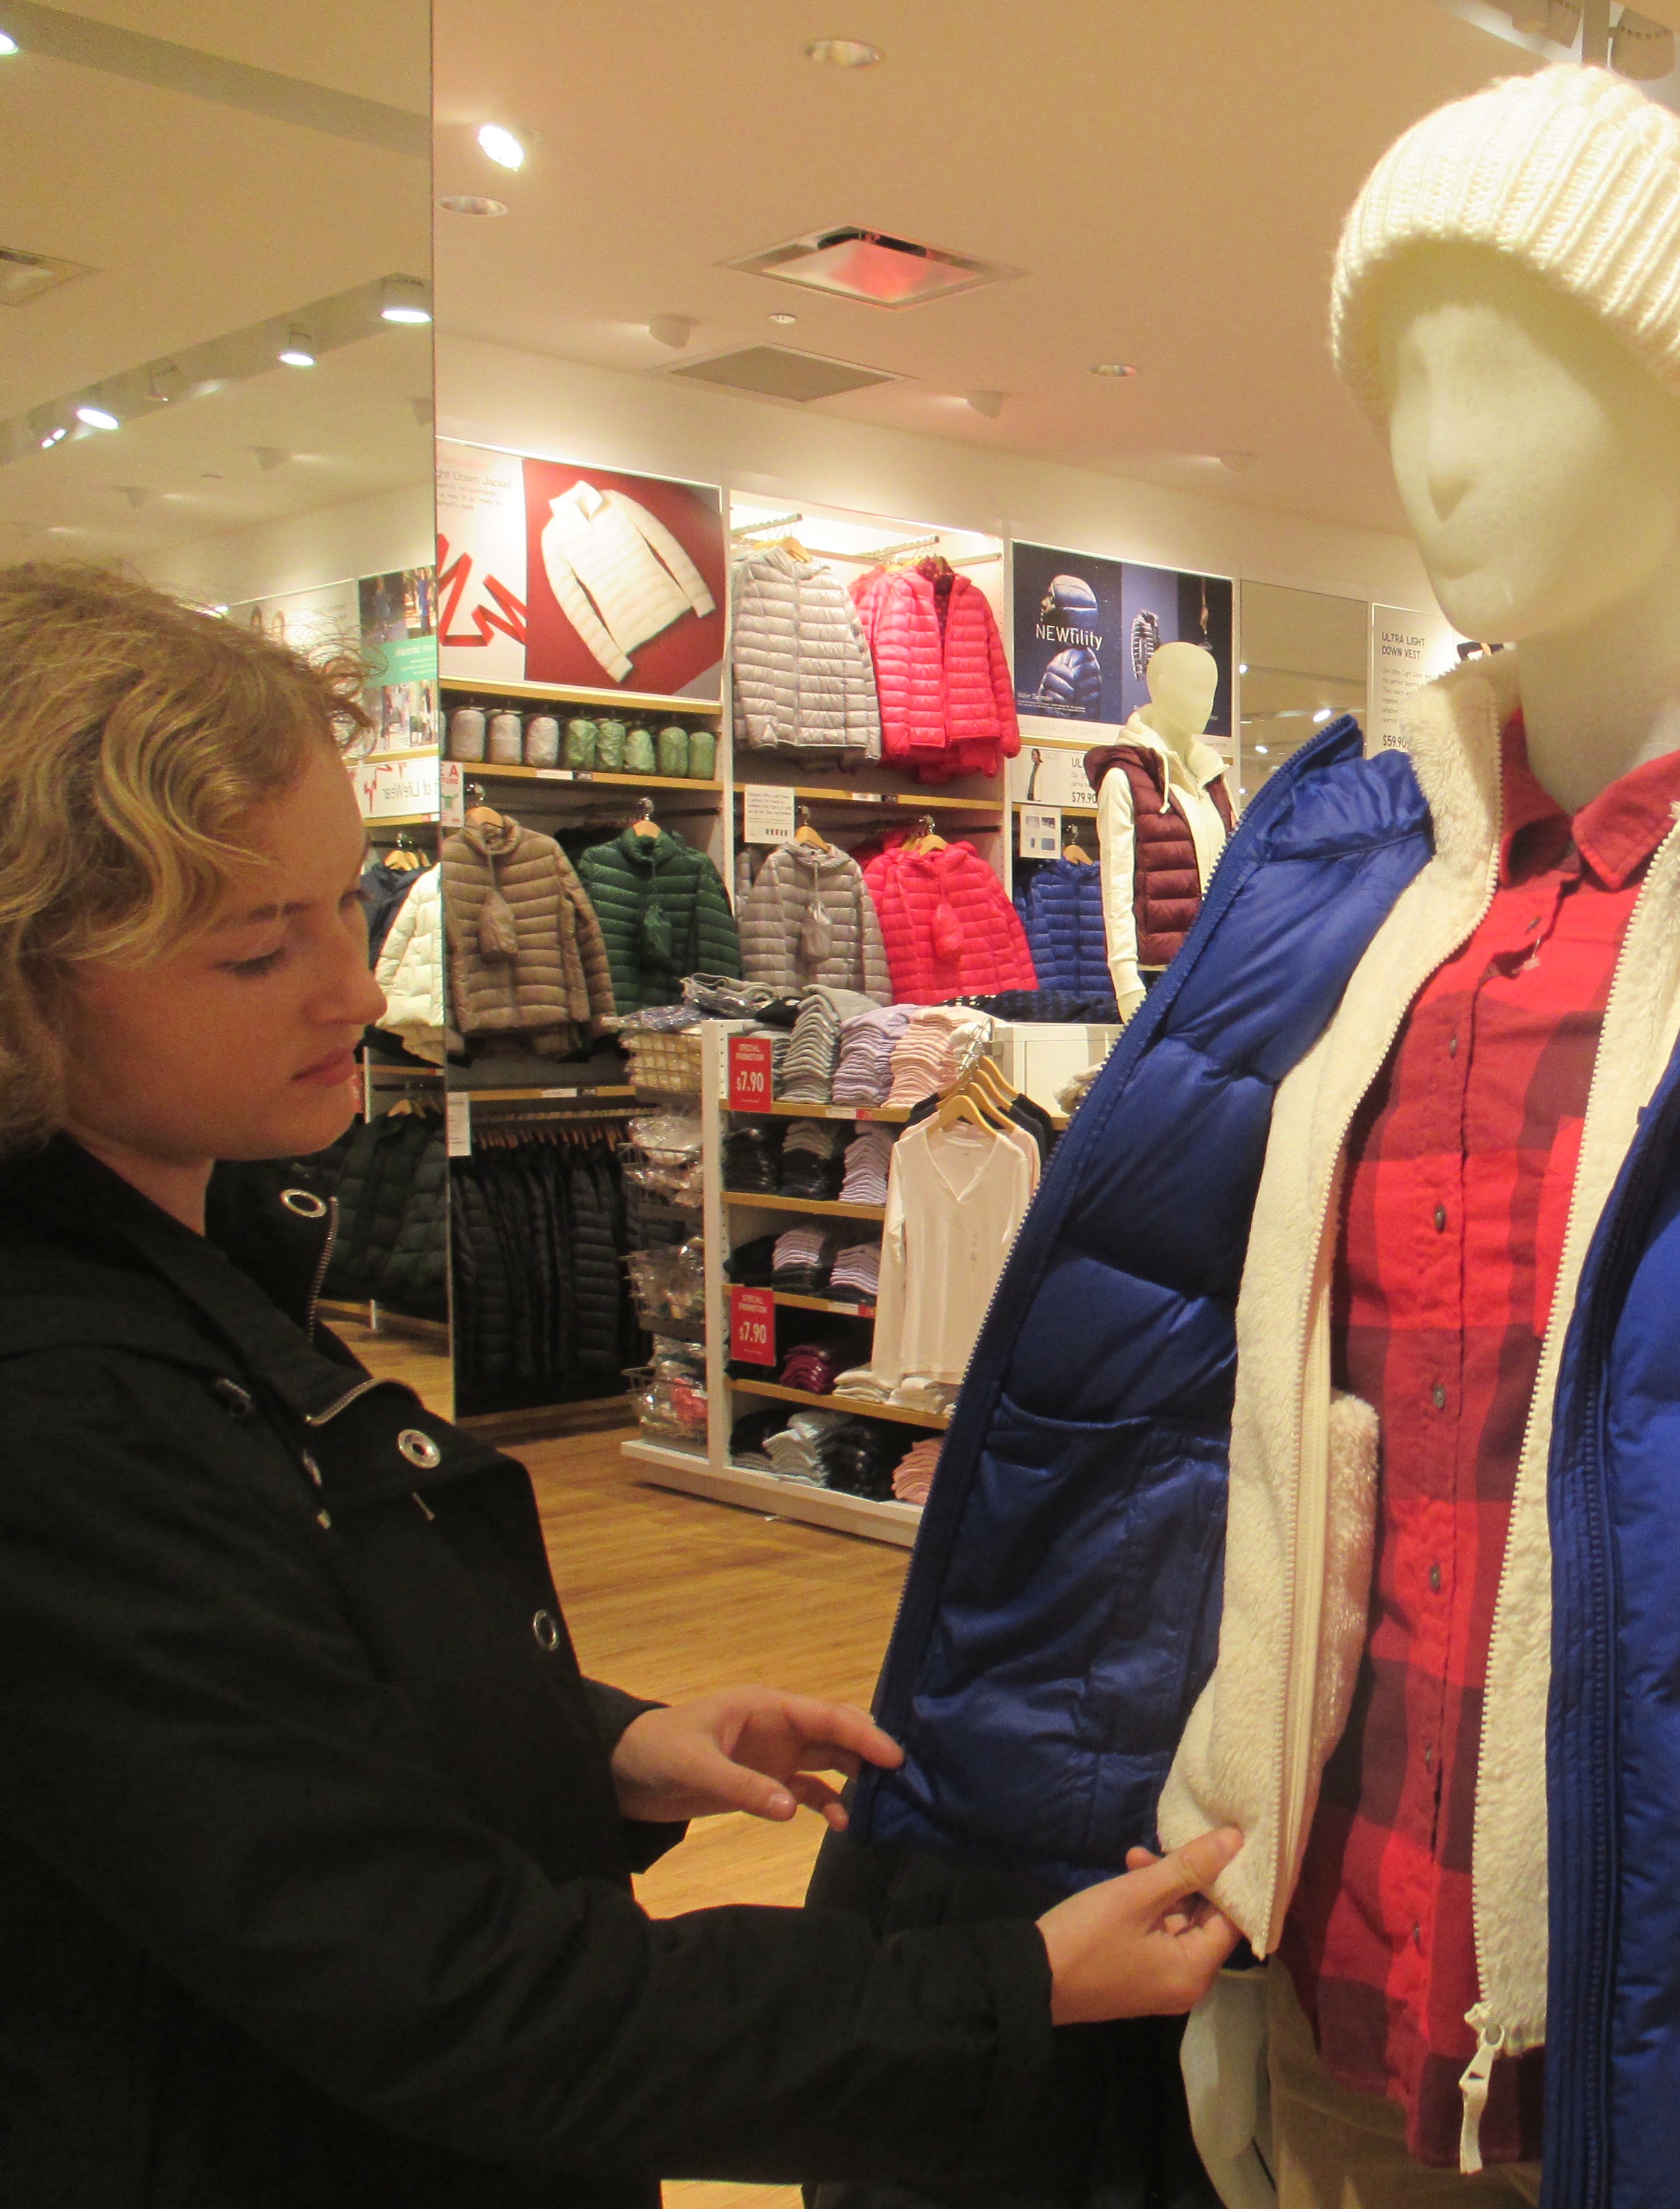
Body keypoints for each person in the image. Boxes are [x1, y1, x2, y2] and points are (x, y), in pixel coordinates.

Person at [0, 561, 1244, 2205]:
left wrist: (587, 1747)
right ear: (29, 980)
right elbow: (466, 2002)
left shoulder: (204, 1274)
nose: (359, 991)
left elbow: (242, 1759)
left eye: (345, 907)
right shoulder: (67, 1415)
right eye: (255, 951)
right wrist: (1009, 1989)